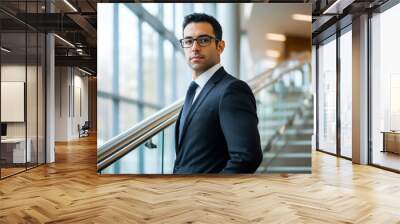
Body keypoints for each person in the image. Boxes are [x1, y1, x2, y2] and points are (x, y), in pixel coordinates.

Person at [173, 13, 262, 174]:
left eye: (204, 40)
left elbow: (246, 157)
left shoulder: (232, 90)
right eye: (188, 41)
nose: (194, 47)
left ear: (220, 46)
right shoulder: (194, 92)